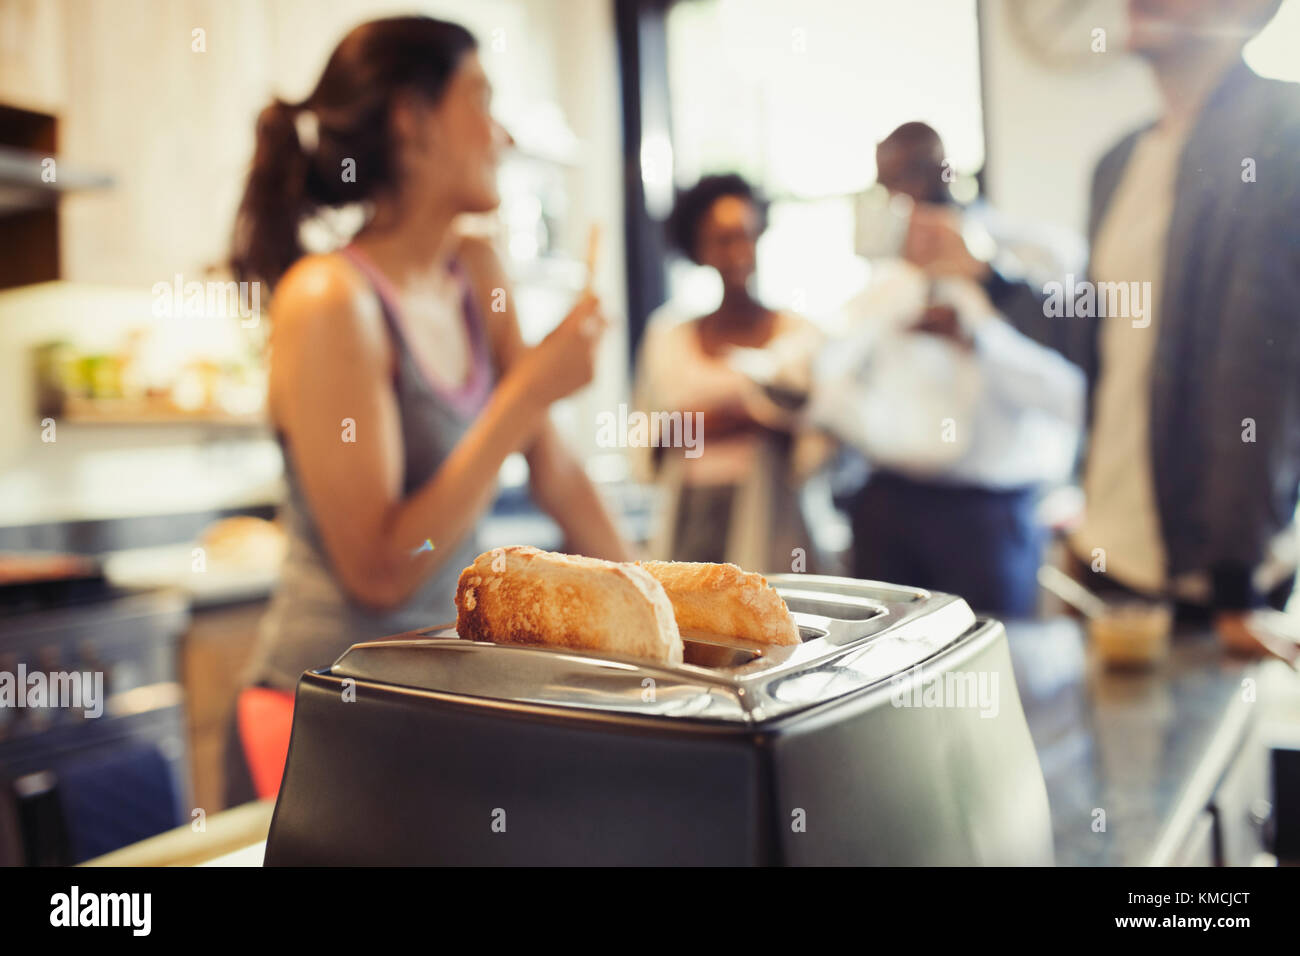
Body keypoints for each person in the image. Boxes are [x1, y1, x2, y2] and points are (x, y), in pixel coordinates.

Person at [224, 16, 631, 799]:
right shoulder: (329, 299)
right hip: (321, 715)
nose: (502, 133)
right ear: (411, 119)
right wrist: (531, 388)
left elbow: (559, 477)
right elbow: (380, 568)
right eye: (481, 98)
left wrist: (661, 621)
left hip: (431, 698)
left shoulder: (477, 270)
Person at [904, 0, 1300, 650]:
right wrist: (989, 277)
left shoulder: (1282, 131)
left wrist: (1236, 584)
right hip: (1106, 560)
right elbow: (1097, 340)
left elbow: (1258, 374)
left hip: (1215, 585)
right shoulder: (1119, 163)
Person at [812, 123, 1085, 615]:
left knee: (992, 674)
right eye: (890, 184)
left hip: (987, 521)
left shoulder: (1030, 257)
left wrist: (977, 336)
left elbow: (1070, 396)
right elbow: (835, 380)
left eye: (915, 175)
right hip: (887, 510)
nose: (905, 195)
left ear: (947, 170)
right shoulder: (884, 279)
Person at [635, 173, 821, 573]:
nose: (739, 252)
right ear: (698, 247)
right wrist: (752, 415)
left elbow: (817, 435)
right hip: (690, 517)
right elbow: (647, 434)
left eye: (747, 236)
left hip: (774, 518)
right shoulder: (667, 337)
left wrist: (704, 423)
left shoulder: (799, 335)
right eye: (723, 239)